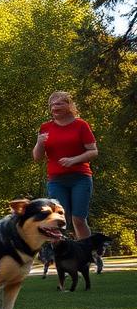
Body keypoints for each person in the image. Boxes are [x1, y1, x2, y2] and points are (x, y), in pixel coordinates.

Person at [33, 90, 99, 244]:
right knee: (58, 219)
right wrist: (39, 143)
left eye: (59, 103)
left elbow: (93, 151)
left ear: (69, 105)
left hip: (80, 178)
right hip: (56, 180)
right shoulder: (45, 127)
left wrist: (74, 160)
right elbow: (37, 157)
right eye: (52, 105)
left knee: (78, 219)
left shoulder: (81, 125)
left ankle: (86, 255)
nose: (54, 107)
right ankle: (61, 258)